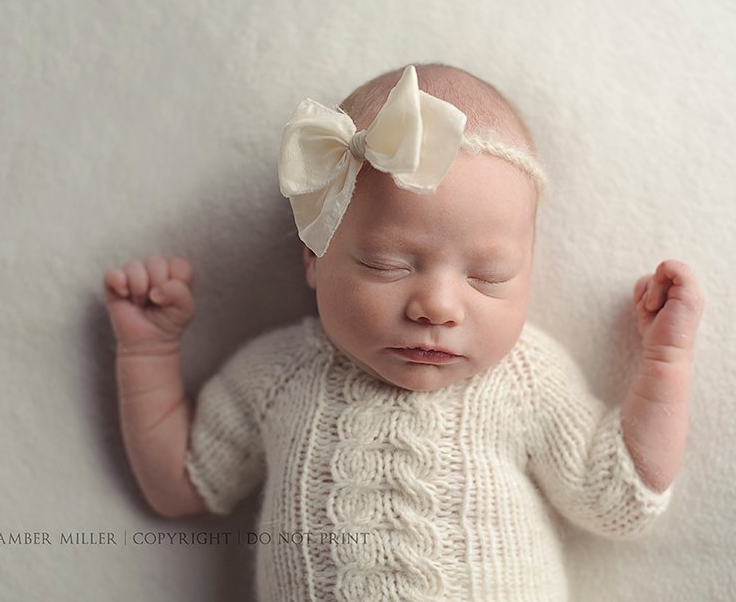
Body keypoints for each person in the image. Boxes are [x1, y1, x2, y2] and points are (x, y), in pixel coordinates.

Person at [103, 64, 704, 601]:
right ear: (314, 254)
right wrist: (147, 351)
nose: (438, 306)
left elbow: (618, 496)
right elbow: (179, 483)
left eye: (488, 276)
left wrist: (665, 361)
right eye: (388, 265)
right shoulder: (275, 376)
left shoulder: (525, 377)